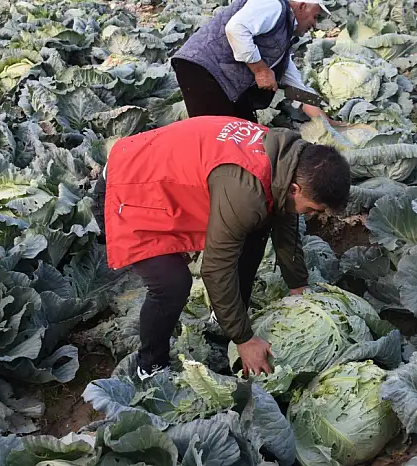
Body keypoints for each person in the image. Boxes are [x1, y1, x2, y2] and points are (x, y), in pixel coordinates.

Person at [101, 115, 351, 381]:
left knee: (257, 229)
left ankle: (223, 319)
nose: (310, 215)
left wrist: (298, 285)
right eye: (312, 209)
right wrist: (244, 340)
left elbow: (284, 221)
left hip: (167, 174)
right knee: (172, 284)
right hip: (130, 187)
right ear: (295, 189)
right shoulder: (246, 191)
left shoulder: (286, 158)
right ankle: (150, 365)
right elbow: (216, 268)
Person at [171, 0, 334, 124]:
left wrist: (327, 124)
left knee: (245, 133)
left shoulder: (284, 35)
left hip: (222, 80)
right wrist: (261, 70)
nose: (315, 24)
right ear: (302, 6)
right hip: (202, 69)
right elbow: (236, 28)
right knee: (218, 136)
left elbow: (295, 87)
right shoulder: (274, 5)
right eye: (315, 17)